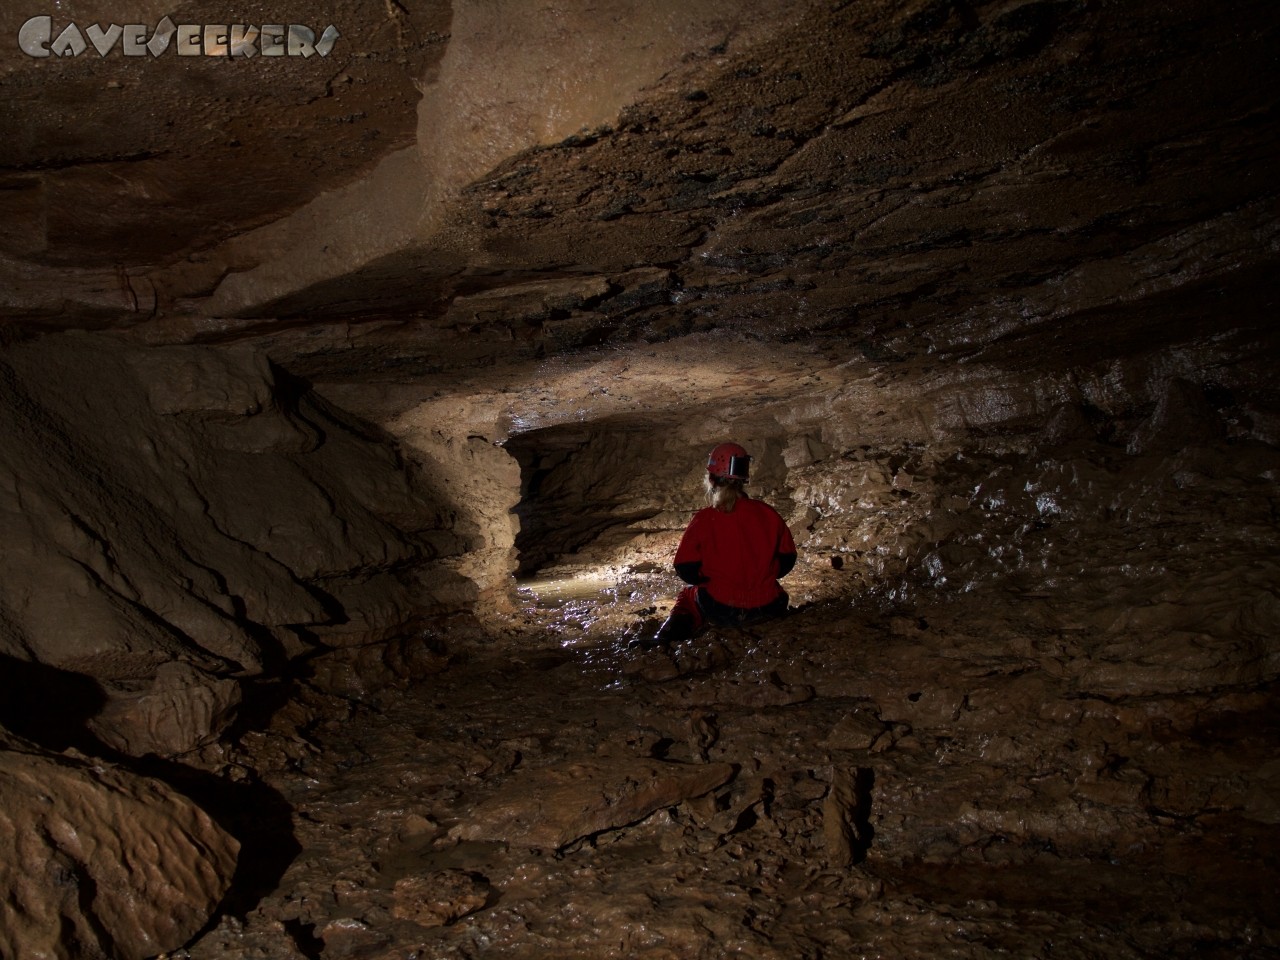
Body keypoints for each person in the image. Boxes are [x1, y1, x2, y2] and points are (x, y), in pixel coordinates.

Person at [642, 442, 797, 650]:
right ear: (743, 479)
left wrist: (707, 577)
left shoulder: (705, 519)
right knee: (772, 588)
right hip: (769, 607)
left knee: (688, 594)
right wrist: (765, 573)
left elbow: (685, 568)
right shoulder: (768, 513)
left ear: (711, 479)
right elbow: (787, 560)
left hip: (721, 609)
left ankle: (664, 639)